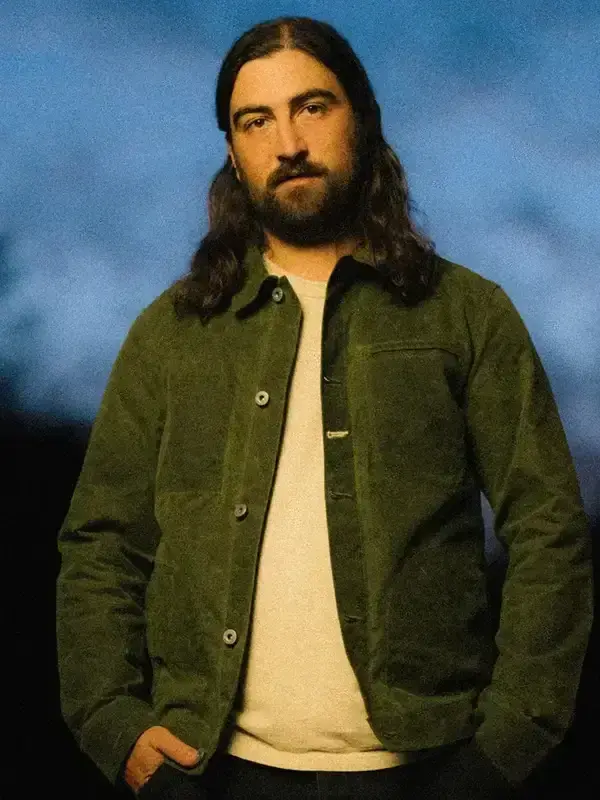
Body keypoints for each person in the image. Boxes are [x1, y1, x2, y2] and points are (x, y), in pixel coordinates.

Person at [56, 16, 594, 800]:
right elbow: (101, 544)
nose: (288, 143)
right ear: (233, 154)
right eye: (256, 121)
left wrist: (507, 743)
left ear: (361, 121)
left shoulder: (467, 314)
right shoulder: (171, 334)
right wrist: (114, 723)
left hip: (428, 767)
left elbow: (548, 528)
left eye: (312, 107)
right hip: (212, 772)